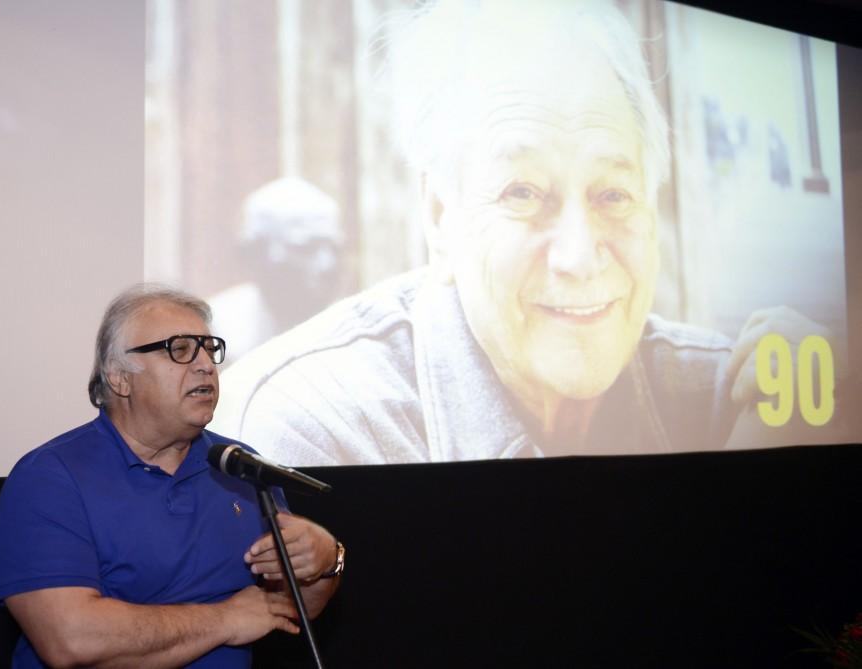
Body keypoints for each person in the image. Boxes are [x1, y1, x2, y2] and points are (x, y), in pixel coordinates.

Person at [209, 0, 830, 464]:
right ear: (440, 217)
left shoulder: (727, 397)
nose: (579, 257)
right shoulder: (308, 428)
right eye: (523, 193)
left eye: (613, 194)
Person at [0, 285, 343, 668]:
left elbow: (287, 608)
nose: (206, 365)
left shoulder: (239, 466)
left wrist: (326, 561)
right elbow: (71, 640)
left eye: (209, 349)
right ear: (120, 378)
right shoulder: (50, 478)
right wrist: (224, 619)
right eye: (180, 349)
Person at [209, 177, 344, 366]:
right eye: (306, 248)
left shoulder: (350, 327)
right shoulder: (218, 329)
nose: (327, 265)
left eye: (334, 249)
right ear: (254, 254)